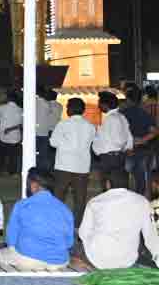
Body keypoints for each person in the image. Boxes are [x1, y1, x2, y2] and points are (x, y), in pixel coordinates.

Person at [1, 168, 74, 271]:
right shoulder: (65, 209)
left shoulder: (22, 205)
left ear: (34, 185)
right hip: (59, 262)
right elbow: (69, 242)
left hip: (28, 261)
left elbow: (11, 240)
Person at [79, 183, 159, 269]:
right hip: (127, 261)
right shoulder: (142, 201)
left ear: (108, 184)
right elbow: (151, 237)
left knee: (76, 245)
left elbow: (83, 233)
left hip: (97, 259)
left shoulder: (95, 201)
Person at [50, 97, 96, 226]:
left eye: (67, 107)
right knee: (80, 198)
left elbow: (53, 142)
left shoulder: (63, 124)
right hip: (82, 167)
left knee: (59, 196)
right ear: (83, 110)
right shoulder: (90, 126)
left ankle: (57, 223)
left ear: (70, 109)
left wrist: (65, 144)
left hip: (63, 166)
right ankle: (77, 225)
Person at [92, 91, 133, 192]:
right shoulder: (121, 117)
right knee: (119, 187)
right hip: (117, 156)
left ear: (105, 105)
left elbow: (118, 140)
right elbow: (129, 137)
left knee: (109, 189)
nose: (98, 106)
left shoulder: (111, 119)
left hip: (110, 158)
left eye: (99, 103)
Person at [122, 86, 159, 195]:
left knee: (126, 180)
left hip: (127, 151)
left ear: (128, 99)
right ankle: (143, 200)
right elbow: (155, 131)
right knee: (143, 180)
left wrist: (131, 142)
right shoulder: (144, 113)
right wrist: (142, 140)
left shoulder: (122, 114)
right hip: (144, 150)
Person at [34, 88, 62, 173]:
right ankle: (51, 169)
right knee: (50, 152)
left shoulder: (48, 104)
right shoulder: (59, 106)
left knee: (41, 152)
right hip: (55, 131)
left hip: (46, 131)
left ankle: (40, 169)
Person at [0, 90, 23, 175]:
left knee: (2, 155)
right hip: (15, 137)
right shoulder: (21, 110)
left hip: (3, 136)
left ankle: (2, 170)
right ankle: (12, 172)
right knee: (13, 156)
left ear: (8, 98)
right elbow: (21, 124)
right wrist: (12, 128)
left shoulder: (1, 108)